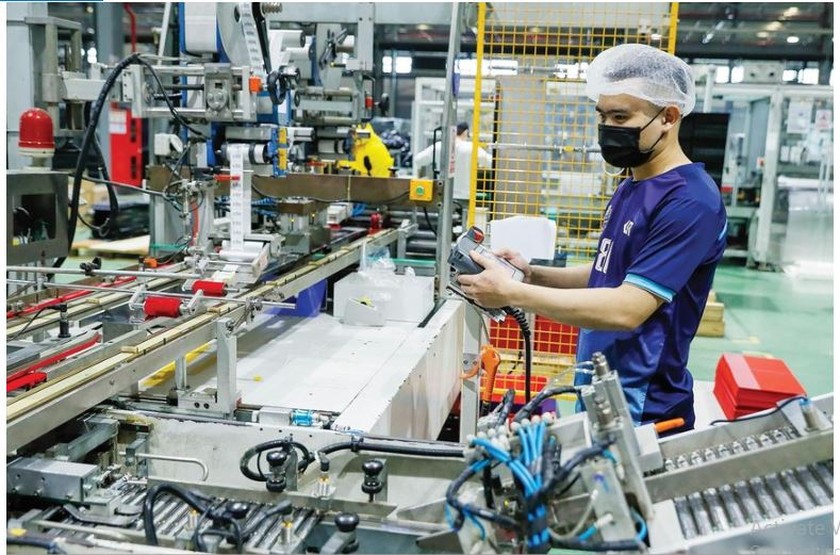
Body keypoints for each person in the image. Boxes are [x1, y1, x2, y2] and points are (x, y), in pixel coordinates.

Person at [457, 44, 727, 434]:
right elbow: (610, 270)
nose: (607, 127)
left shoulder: (690, 201)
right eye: (602, 115)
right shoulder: (632, 184)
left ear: (668, 117)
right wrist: (532, 274)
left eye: (621, 116)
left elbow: (627, 309)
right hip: (600, 390)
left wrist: (512, 293)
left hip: (643, 408)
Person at [414, 122, 493, 202]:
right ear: (465, 132)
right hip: (465, 197)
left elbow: (418, 160)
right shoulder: (471, 148)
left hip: (443, 196)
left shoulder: (439, 146)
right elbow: (491, 163)